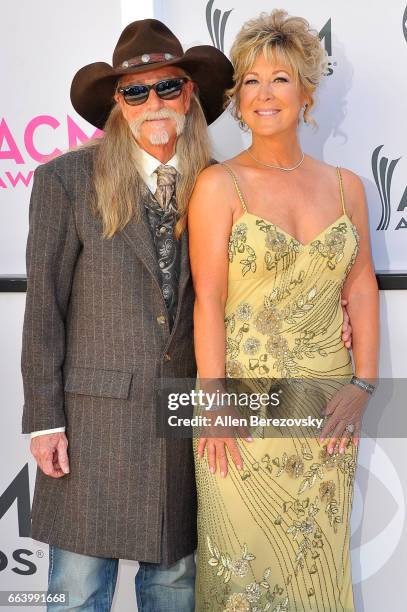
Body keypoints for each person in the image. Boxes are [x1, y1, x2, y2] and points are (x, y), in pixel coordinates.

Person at [21, 19, 234, 611]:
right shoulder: (65, 181)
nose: (153, 103)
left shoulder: (215, 184)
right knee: (80, 587)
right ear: (118, 104)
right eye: (135, 91)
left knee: (174, 587)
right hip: (93, 427)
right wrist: (44, 421)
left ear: (189, 95)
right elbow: (44, 308)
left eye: (166, 87)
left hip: (182, 422)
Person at [188, 9, 379, 612]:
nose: (264, 94)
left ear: (307, 94)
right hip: (241, 413)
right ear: (236, 100)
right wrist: (212, 398)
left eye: (280, 79)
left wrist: (364, 384)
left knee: (316, 576)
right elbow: (209, 298)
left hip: (324, 412)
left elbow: (362, 286)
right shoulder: (220, 186)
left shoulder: (348, 186)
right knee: (242, 581)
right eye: (250, 81)